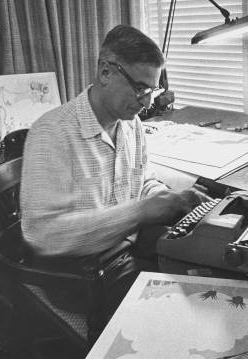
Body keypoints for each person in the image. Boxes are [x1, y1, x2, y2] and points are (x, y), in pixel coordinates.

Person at [20, 25, 206, 323]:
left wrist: (164, 199)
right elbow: (43, 236)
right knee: (173, 316)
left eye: (152, 90)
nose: (147, 102)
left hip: (125, 252)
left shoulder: (130, 123)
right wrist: (141, 212)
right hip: (78, 274)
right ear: (106, 72)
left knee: (205, 279)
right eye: (140, 88)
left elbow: (142, 180)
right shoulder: (51, 133)